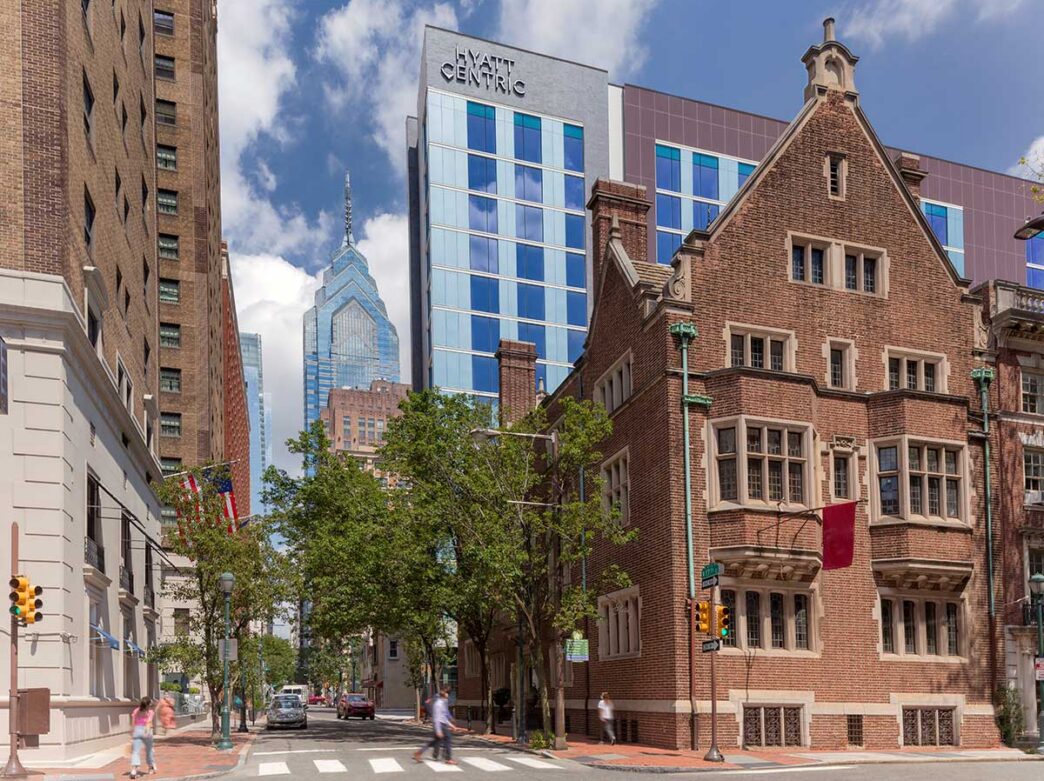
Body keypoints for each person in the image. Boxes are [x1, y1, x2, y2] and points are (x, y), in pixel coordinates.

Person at [413, 688, 460, 764]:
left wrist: (451, 725)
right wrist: (438, 730)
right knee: (448, 738)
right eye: (447, 693)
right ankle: (448, 759)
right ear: (444, 694)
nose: (448, 695)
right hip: (439, 725)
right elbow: (437, 718)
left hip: (441, 724)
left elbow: (443, 716)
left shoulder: (443, 702)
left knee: (435, 741)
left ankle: (419, 753)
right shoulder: (438, 704)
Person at [129, 696, 156, 778]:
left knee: (135, 751)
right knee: (149, 750)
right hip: (146, 730)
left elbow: (133, 723)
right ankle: (151, 767)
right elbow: (149, 722)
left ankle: (134, 770)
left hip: (137, 730)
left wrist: (132, 733)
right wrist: (147, 730)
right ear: (148, 704)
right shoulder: (150, 712)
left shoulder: (136, 711)